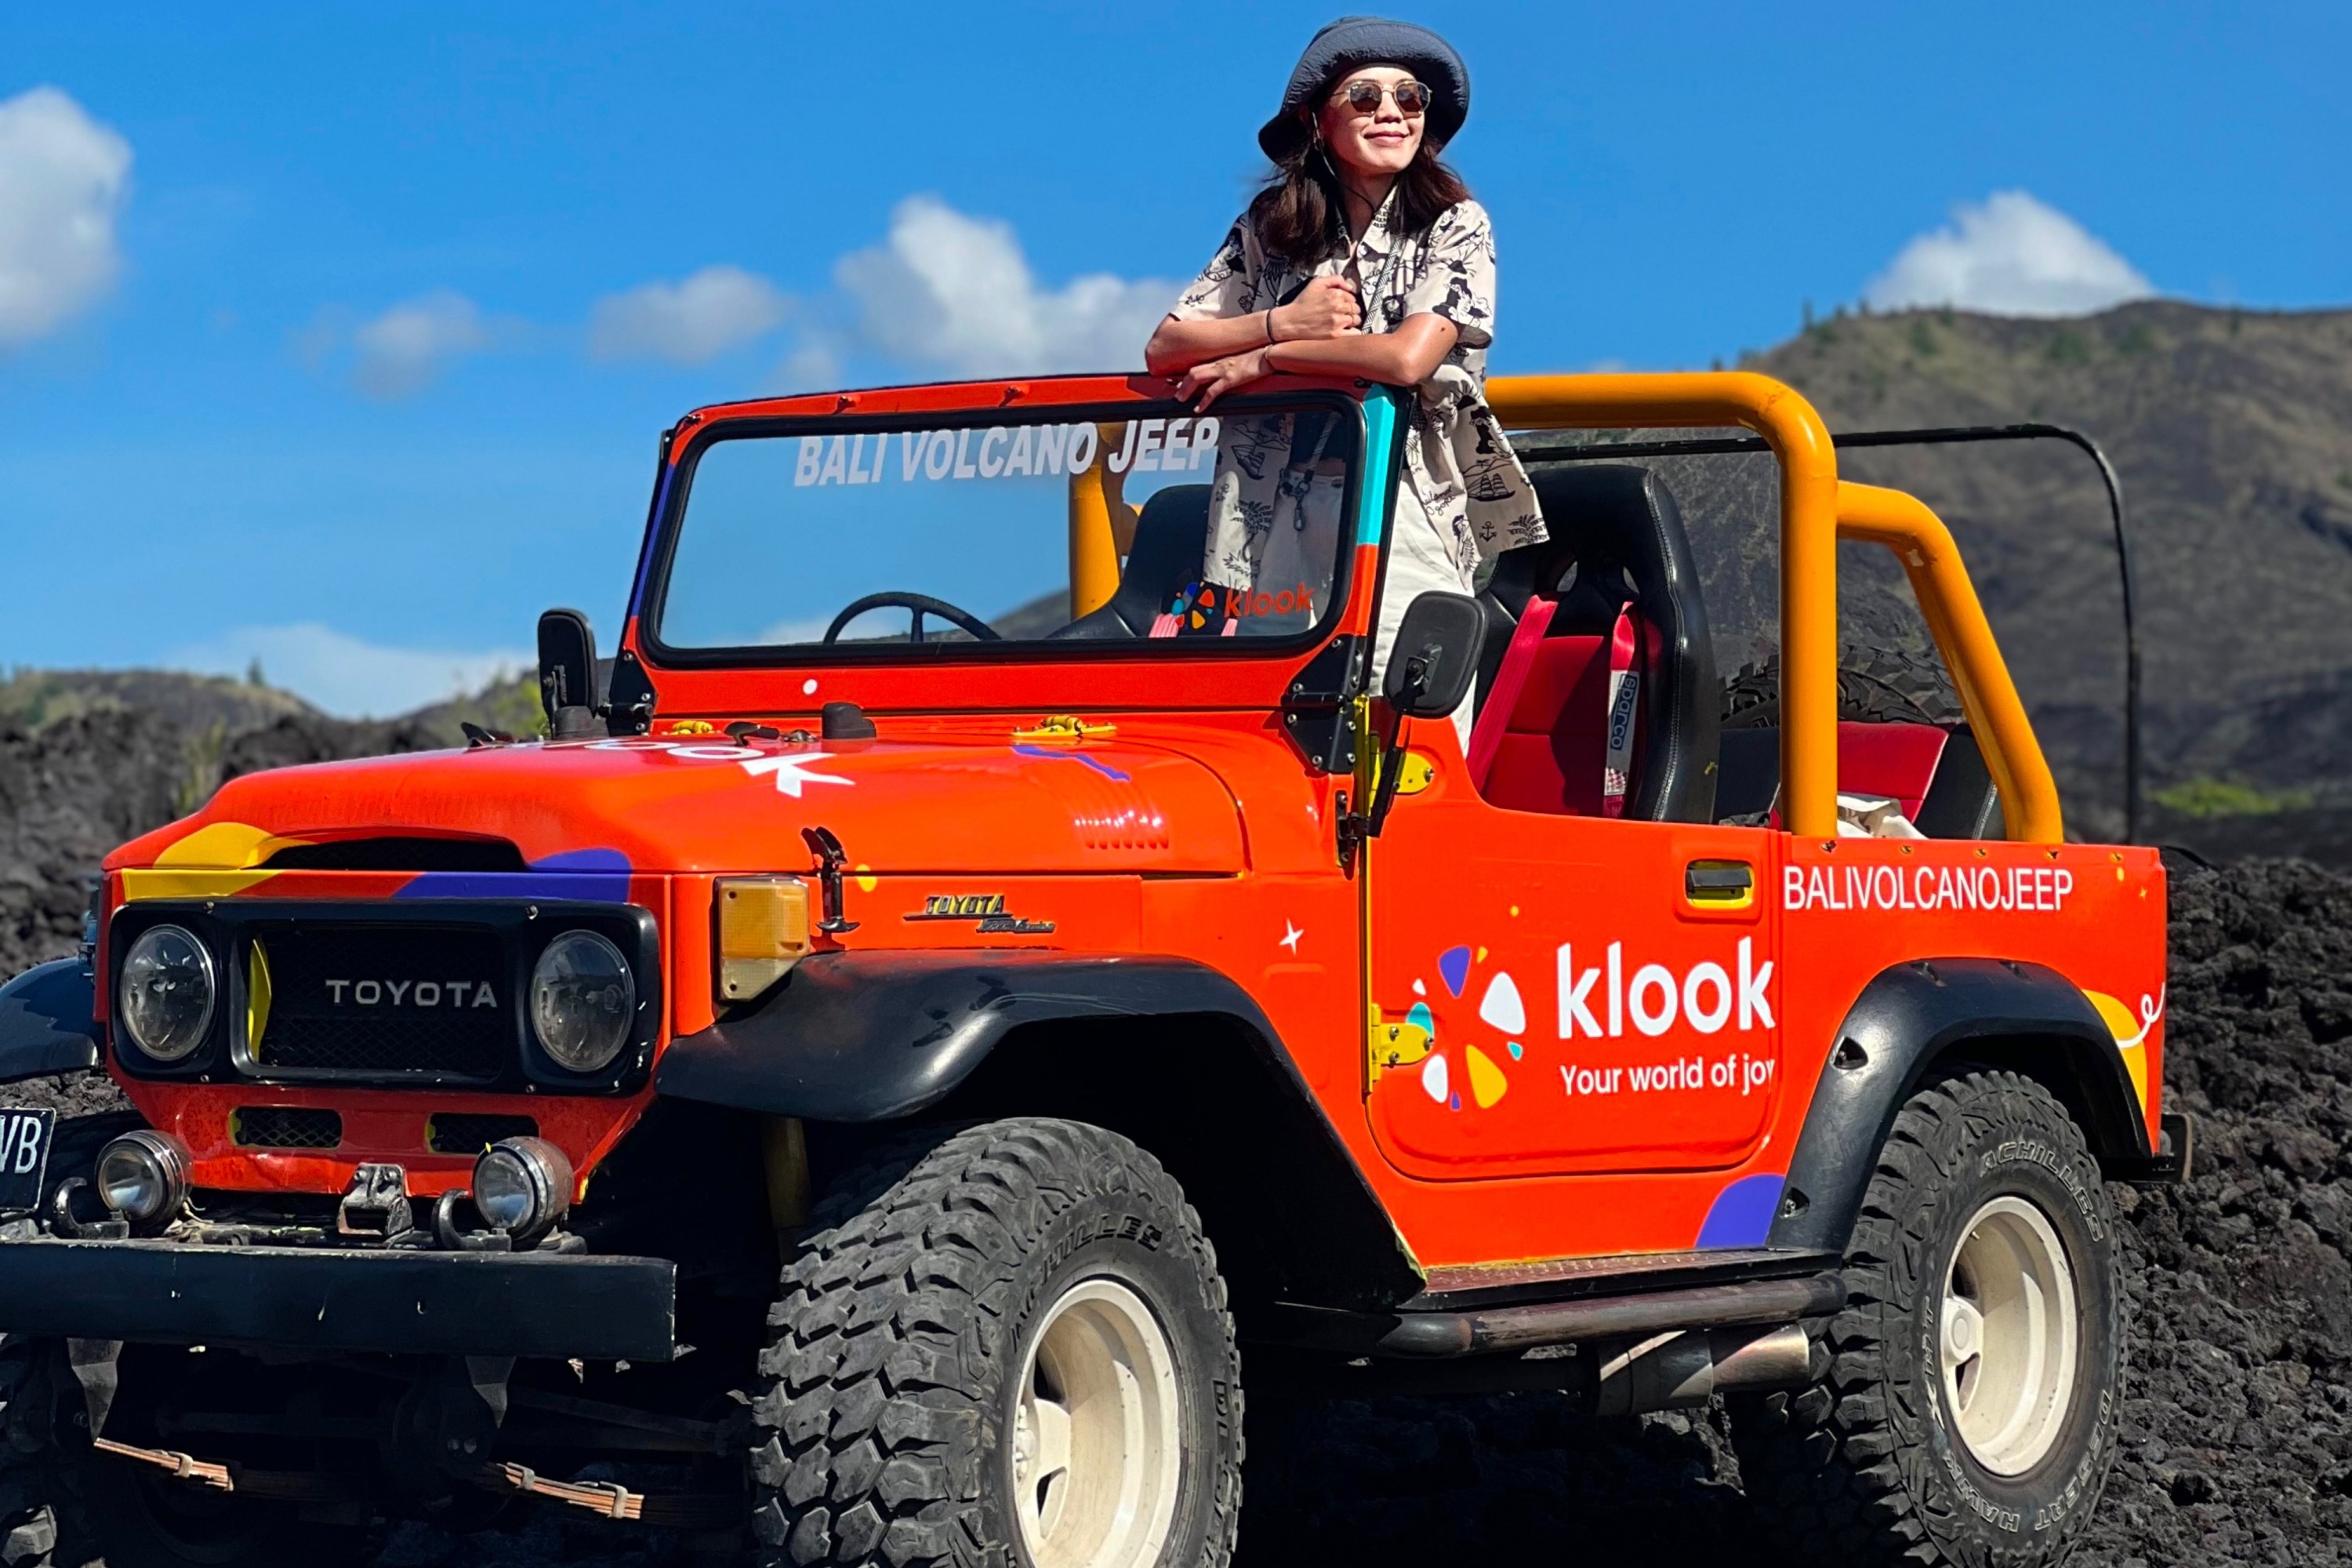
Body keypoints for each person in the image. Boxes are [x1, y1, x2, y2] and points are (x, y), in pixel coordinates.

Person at [1145, 15, 1547, 749]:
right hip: (1274, 513)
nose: (1392, 111)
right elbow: (1167, 347)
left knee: (1406, 729)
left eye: (1410, 97)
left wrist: (1268, 359)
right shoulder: (1272, 226)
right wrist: (1281, 322)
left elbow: (1406, 360)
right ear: (1316, 119)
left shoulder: (1455, 223)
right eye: (1365, 96)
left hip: (1403, 508)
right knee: (1276, 726)